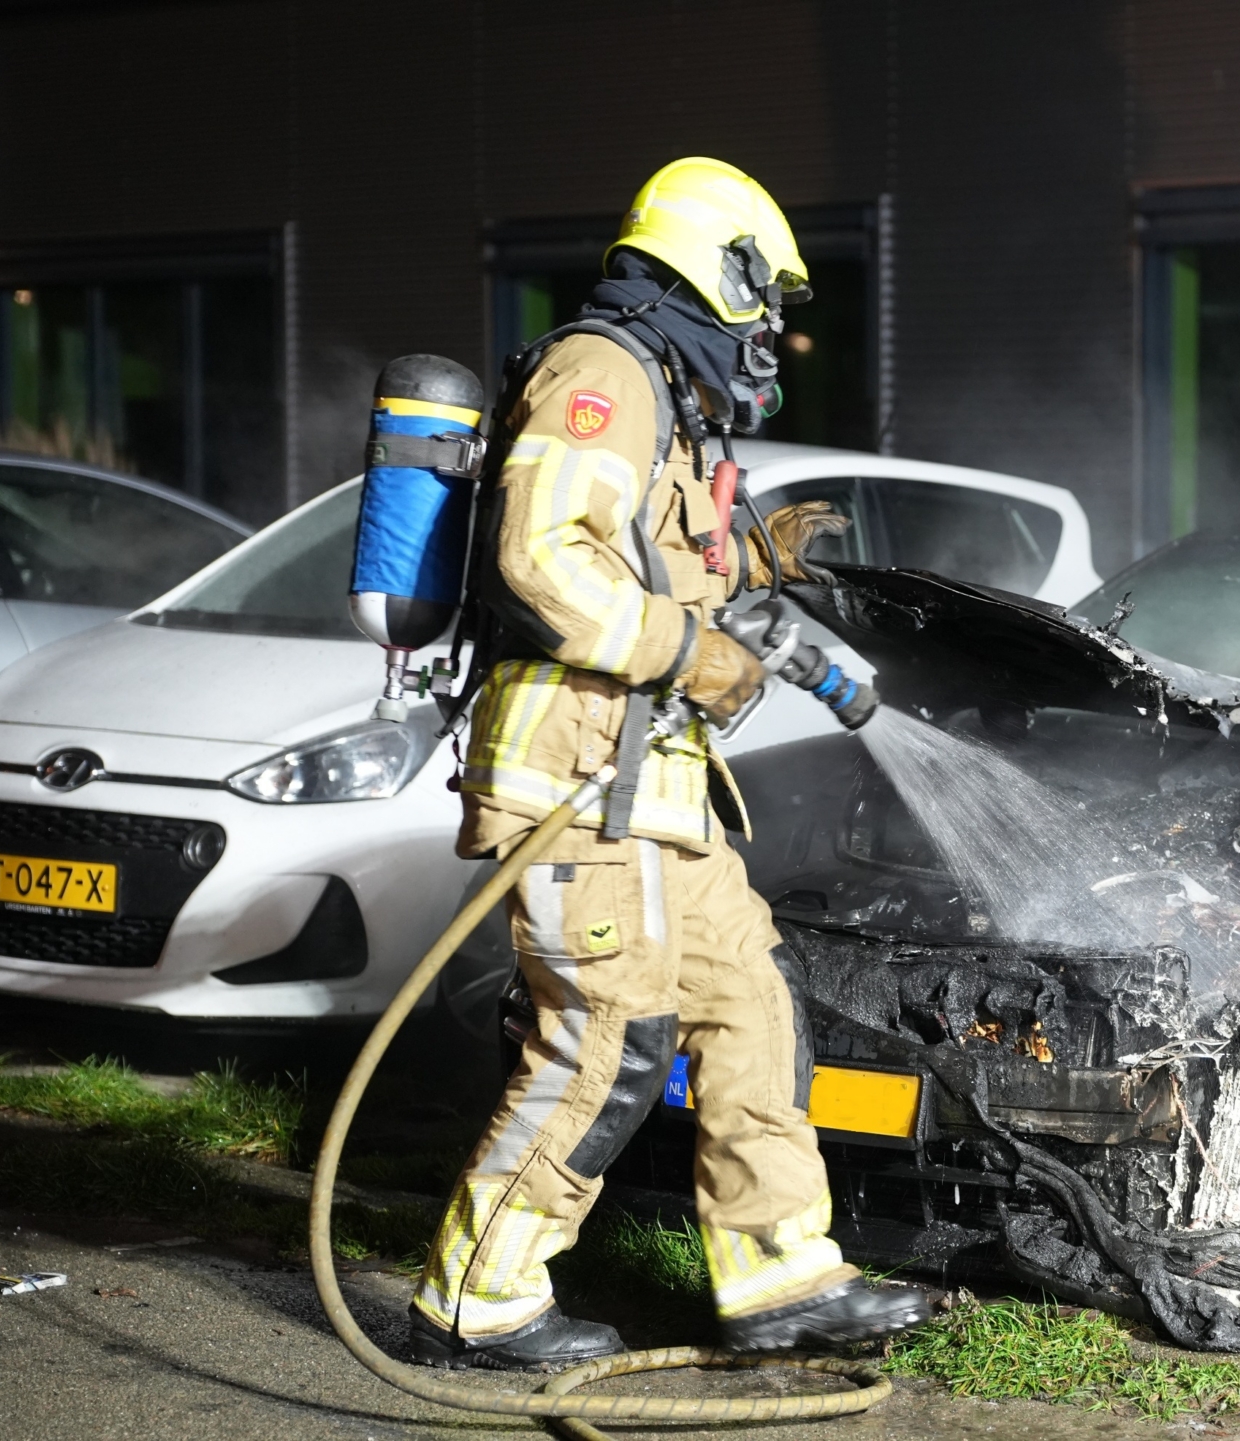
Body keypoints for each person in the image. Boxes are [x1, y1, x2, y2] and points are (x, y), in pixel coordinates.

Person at [406, 157, 931, 1371]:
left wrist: (749, 562)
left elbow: (653, 564)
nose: (771, 331)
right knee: (607, 1037)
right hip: (578, 783)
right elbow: (545, 560)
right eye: (770, 300)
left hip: (658, 793)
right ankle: (476, 1298)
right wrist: (693, 651)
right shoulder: (602, 374)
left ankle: (778, 1277)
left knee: (751, 1005)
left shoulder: (670, 405)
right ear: (723, 267)